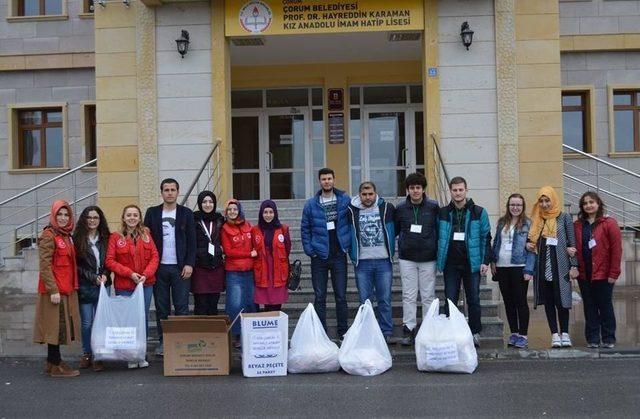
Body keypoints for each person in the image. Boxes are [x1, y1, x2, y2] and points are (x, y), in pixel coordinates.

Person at [437, 176, 491, 348]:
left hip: (471, 263)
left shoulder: (479, 212)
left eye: (461, 190)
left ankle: (474, 332)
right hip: (451, 263)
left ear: (466, 190)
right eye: (454, 190)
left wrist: (485, 261)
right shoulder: (443, 212)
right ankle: (450, 332)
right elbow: (438, 237)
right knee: (450, 298)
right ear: (450, 191)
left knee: (473, 298)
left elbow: (486, 238)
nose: (458, 193)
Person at [144, 178, 196, 357]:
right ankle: (163, 342)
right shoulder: (151, 213)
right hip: (159, 268)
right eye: (166, 190)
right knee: (162, 307)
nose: (169, 193)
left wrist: (189, 263)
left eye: (173, 189)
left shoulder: (186, 213)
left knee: (182, 306)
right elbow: (146, 241)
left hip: (180, 268)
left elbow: (192, 241)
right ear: (162, 192)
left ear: (177, 192)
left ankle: (180, 341)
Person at [105, 205, 159, 368]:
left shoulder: (146, 235)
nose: (132, 218)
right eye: (129, 215)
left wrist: (145, 275)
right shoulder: (115, 237)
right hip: (125, 285)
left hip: (145, 284)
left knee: (141, 318)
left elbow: (155, 257)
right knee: (127, 321)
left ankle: (140, 354)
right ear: (123, 218)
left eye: (135, 215)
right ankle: (129, 355)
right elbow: (110, 261)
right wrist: (130, 274)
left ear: (139, 218)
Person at [525, 186, 579, 348]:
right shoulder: (537, 219)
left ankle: (565, 333)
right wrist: (529, 244)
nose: (544, 204)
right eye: (541, 201)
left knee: (562, 301)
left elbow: (572, 244)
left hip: (560, 267)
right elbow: (531, 241)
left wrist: (574, 265)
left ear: (553, 200)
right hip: (543, 268)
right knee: (548, 302)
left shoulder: (564, 218)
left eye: (547, 200)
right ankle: (554, 334)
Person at [301, 168, 351, 338]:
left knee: (341, 296)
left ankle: (343, 330)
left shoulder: (344, 199)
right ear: (319, 181)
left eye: (329, 178)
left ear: (334, 179)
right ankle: (321, 332)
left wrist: (348, 245)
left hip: (339, 255)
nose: (327, 181)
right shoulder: (311, 204)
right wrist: (310, 251)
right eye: (323, 179)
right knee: (320, 296)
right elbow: (305, 229)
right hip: (319, 256)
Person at [33, 200, 82, 377]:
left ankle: (53, 361)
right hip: (54, 291)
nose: (63, 218)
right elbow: (45, 265)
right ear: (53, 216)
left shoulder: (66, 236)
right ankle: (55, 365)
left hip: (65, 288)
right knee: (56, 326)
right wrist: (53, 290)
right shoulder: (49, 235)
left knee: (59, 325)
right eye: (59, 214)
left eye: (66, 214)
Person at [394, 172, 439, 346]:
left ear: (423, 189)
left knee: (428, 296)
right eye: (412, 188)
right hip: (407, 258)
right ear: (407, 190)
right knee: (409, 295)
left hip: (428, 258)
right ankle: (409, 330)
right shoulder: (400, 209)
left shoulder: (433, 207)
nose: (415, 191)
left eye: (418, 188)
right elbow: (397, 230)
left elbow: (439, 230)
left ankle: (428, 329)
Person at [347, 182, 396, 343]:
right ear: (359, 195)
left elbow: (396, 229)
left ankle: (386, 332)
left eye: (370, 194)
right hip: (362, 263)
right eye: (364, 194)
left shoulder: (387, 208)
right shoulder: (350, 210)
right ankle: (366, 331)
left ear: (375, 194)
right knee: (365, 300)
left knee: (384, 299)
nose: (367, 197)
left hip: (383, 262)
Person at [573, 191, 622, 349]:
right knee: (589, 306)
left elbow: (616, 250)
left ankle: (608, 338)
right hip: (584, 273)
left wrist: (614, 273)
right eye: (585, 203)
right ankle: (593, 338)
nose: (588, 205)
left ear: (598, 203)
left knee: (605, 305)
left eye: (591, 202)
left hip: (603, 274)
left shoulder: (609, 223)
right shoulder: (578, 225)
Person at [490, 194, 535, 349]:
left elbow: (532, 249)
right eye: (512, 205)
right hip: (502, 267)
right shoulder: (502, 222)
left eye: (518, 205)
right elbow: (496, 242)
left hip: (519, 267)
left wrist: (529, 269)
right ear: (508, 206)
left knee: (520, 301)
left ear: (523, 207)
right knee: (508, 302)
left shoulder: (528, 223)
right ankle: (514, 333)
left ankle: (523, 335)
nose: (515, 208)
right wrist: (493, 261)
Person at [73, 206, 111, 372]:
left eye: (95, 217)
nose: (92, 220)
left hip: (103, 285)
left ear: (100, 219)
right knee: (87, 323)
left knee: (100, 322)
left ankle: (99, 355)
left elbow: (110, 260)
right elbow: (76, 266)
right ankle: (87, 353)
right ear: (84, 219)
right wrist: (92, 277)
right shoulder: (77, 239)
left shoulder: (106, 238)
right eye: (89, 217)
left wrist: (105, 274)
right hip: (85, 286)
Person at [221, 199, 256, 348]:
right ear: (226, 212)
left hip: (250, 271)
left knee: (251, 303)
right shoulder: (224, 229)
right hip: (234, 272)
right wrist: (249, 253)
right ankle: (236, 335)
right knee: (235, 304)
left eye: (235, 209)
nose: (232, 212)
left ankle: (251, 333)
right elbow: (229, 252)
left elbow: (256, 246)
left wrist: (253, 253)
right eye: (229, 210)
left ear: (239, 210)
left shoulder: (249, 226)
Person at [251, 200, 291, 312]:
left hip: (278, 269)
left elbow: (287, 249)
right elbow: (252, 247)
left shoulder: (283, 229)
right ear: (261, 213)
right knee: (266, 302)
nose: (268, 215)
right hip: (263, 269)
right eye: (265, 212)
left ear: (275, 213)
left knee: (277, 302)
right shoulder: (255, 230)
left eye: (271, 212)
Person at [192, 191, 225, 315]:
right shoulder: (194, 219)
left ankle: (213, 334)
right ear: (200, 204)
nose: (207, 204)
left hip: (216, 266)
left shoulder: (219, 219)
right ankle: (200, 333)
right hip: (200, 266)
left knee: (213, 304)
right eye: (204, 202)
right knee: (200, 304)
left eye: (211, 202)